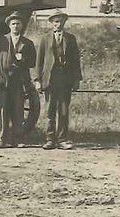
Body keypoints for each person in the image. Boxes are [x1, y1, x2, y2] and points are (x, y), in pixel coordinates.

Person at [34, 9, 82, 150]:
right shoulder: (45, 38)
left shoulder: (71, 39)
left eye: (61, 21)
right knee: (50, 110)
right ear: (51, 23)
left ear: (64, 22)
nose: (58, 24)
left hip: (65, 80)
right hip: (50, 80)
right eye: (55, 21)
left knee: (63, 110)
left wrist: (76, 79)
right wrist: (38, 80)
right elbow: (39, 61)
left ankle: (62, 139)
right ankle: (50, 139)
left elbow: (76, 61)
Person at [0, 11, 36, 148]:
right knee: (3, 110)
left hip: (19, 81)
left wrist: (23, 59)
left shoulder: (28, 43)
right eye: (13, 24)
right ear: (9, 26)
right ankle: (2, 139)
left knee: (18, 110)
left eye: (18, 24)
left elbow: (32, 62)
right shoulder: (1, 41)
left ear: (22, 26)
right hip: (4, 80)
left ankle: (18, 139)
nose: (15, 26)